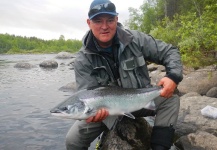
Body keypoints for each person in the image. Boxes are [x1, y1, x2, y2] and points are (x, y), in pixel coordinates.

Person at [65, 0, 183, 149]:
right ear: (89, 23)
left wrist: (173, 76)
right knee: (72, 140)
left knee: (171, 100)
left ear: (117, 19)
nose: (104, 26)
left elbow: (170, 51)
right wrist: (94, 115)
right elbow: (86, 94)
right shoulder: (83, 60)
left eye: (109, 20)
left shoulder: (135, 39)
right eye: (98, 21)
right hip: (105, 112)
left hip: (139, 101)